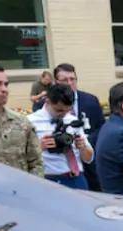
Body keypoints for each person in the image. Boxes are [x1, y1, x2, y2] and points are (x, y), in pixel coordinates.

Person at [47, 63, 106, 191]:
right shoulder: (47, 104)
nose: (69, 83)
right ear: (56, 82)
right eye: (64, 80)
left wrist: (85, 140)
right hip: (61, 167)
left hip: (89, 162)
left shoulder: (90, 101)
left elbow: (101, 127)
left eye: (72, 79)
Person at [27, 83, 94, 190]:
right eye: (59, 110)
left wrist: (83, 148)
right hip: (48, 180)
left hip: (76, 179)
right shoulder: (30, 122)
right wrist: (39, 147)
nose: (64, 114)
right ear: (47, 101)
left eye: (68, 110)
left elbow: (88, 159)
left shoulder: (73, 120)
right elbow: (20, 158)